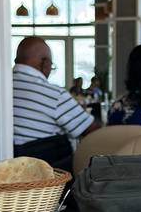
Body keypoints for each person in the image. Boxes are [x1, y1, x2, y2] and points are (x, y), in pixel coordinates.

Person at [13, 36, 99, 172]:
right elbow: (92, 131)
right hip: (50, 180)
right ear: (45, 64)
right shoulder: (54, 94)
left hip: (8, 175)